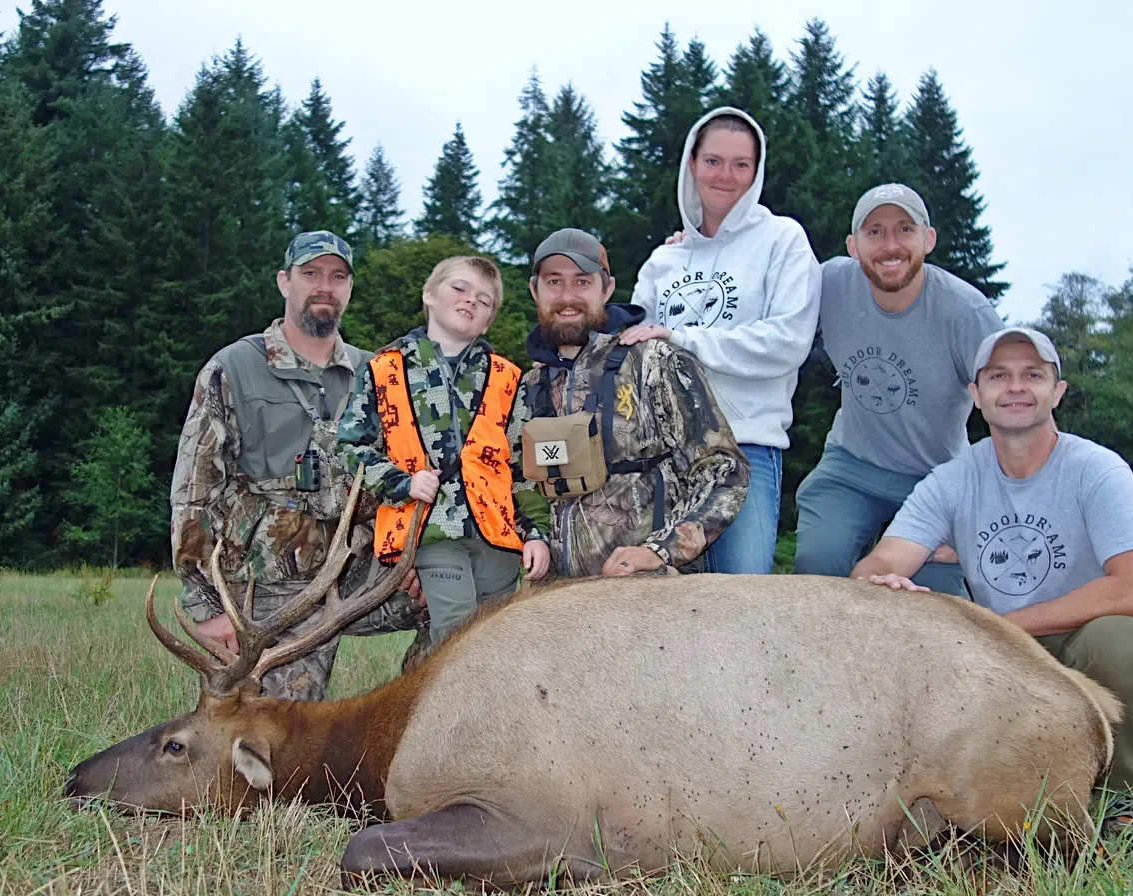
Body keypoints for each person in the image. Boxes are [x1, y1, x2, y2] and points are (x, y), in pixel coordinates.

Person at [850, 327, 1133, 832]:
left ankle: (1119, 802)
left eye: (1033, 375)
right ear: (976, 396)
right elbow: (878, 565)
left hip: (1076, 639)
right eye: (999, 376)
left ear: (1057, 392)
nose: (1016, 387)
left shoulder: (1098, 470)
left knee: (1123, 640)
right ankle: (959, 805)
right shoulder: (953, 478)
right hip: (1000, 649)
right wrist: (886, 586)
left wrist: (1004, 628)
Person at [171, 230, 424, 701]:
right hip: (269, 586)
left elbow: (407, 478)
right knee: (273, 734)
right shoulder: (233, 368)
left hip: (360, 572)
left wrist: (421, 561)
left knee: (458, 602)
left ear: (349, 289)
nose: (324, 286)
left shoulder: (380, 374)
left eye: (337, 276)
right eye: (311, 274)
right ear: (285, 282)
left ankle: (413, 745)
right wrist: (206, 605)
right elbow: (194, 492)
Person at [624, 107, 820, 574]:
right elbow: (635, 352)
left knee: (741, 613)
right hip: (664, 463)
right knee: (657, 619)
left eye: (741, 164)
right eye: (713, 161)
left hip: (745, 448)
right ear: (691, 164)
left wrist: (682, 339)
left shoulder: (782, 239)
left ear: (757, 171)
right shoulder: (662, 262)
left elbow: (788, 340)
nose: (725, 176)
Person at [794, 183, 1003, 594]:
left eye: (904, 229)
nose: (890, 245)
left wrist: (981, 509)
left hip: (937, 474)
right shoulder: (829, 283)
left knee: (937, 595)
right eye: (874, 232)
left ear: (928, 239)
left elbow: (1012, 414)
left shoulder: (967, 314)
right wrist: (694, 245)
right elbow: (760, 289)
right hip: (851, 465)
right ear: (853, 246)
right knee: (818, 565)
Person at [337, 256, 551, 645]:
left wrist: (536, 532)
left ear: (487, 321)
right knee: (457, 639)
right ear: (429, 296)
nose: (471, 301)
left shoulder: (507, 378)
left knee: (498, 641)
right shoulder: (384, 370)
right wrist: (402, 483)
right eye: (460, 289)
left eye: (484, 301)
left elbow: (522, 468)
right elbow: (351, 448)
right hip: (432, 531)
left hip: (497, 541)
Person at [519, 227, 748, 578]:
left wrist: (660, 550)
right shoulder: (530, 385)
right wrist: (533, 536)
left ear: (607, 288)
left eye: (582, 282)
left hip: (648, 596)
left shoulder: (655, 362)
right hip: (560, 603)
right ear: (535, 290)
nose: (567, 296)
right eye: (554, 282)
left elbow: (725, 473)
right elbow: (514, 480)